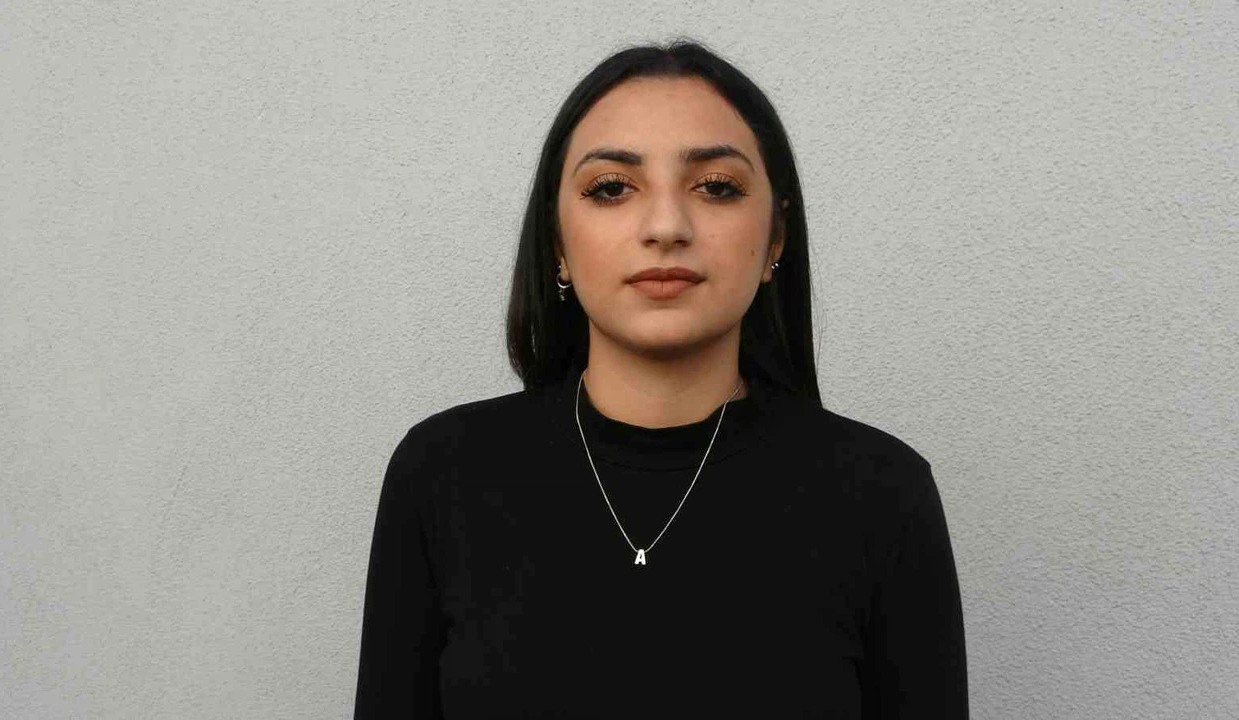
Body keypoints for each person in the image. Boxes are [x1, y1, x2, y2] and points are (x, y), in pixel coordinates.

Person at [355, 39, 968, 719]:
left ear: (776, 238)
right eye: (612, 188)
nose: (666, 226)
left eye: (717, 187)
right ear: (557, 242)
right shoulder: (443, 474)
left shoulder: (883, 496)